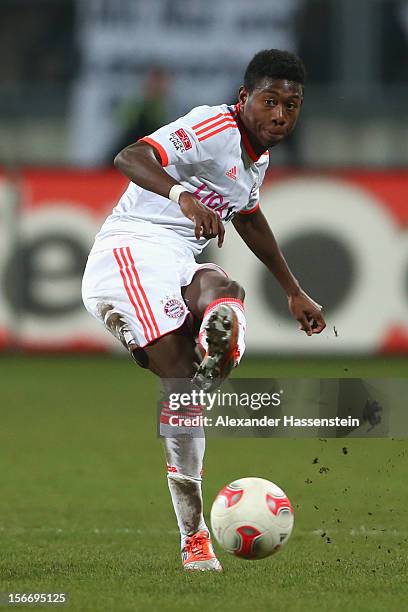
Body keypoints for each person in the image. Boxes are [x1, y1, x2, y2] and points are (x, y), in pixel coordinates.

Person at [82, 49, 326, 572]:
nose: (280, 114)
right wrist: (181, 197)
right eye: (269, 101)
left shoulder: (256, 159)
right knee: (180, 379)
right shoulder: (213, 124)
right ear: (244, 99)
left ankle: (213, 348)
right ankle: (194, 537)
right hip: (127, 252)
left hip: (175, 261)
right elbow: (129, 155)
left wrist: (293, 290)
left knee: (223, 288)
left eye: (291, 105)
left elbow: (249, 217)